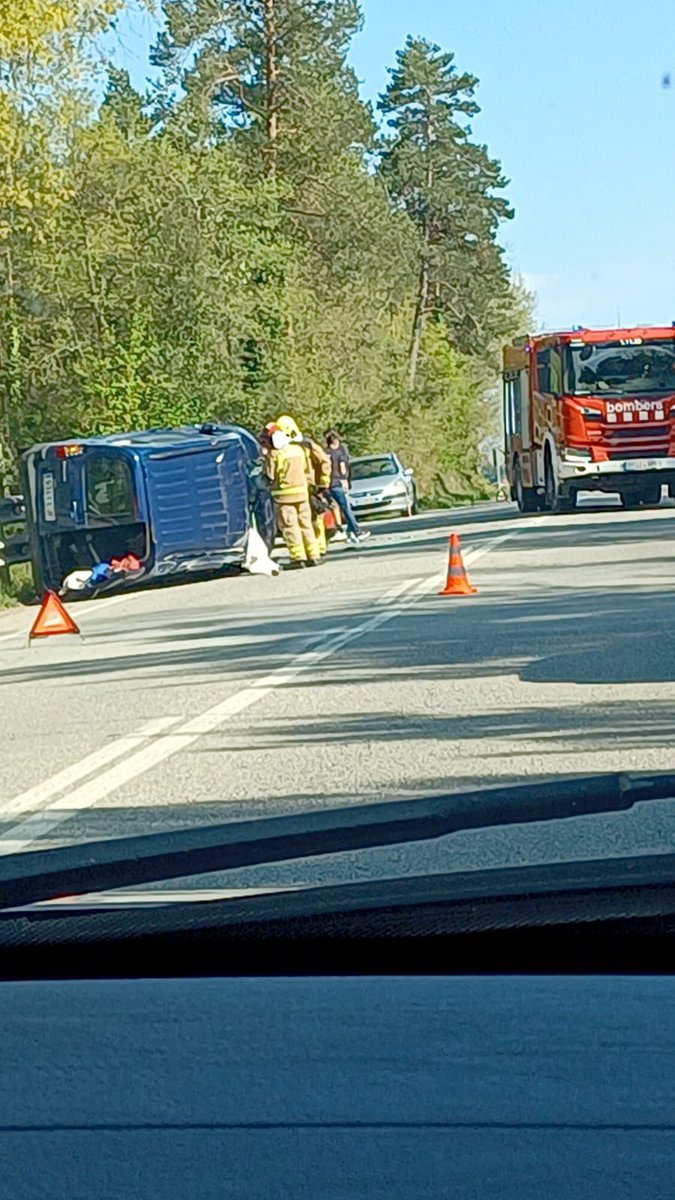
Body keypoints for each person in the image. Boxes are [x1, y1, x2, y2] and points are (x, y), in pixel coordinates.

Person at [263, 423, 323, 568]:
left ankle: (298, 557)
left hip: (284, 497)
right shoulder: (298, 450)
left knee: (291, 526)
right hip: (302, 494)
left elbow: (270, 475)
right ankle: (313, 554)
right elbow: (307, 470)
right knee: (306, 524)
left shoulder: (274, 455)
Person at [276, 415, 332, 557]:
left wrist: (322, 483)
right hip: (303, 487)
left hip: (310, 486)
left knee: (314, 518)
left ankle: (318, 548)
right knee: (307, 520)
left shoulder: (306, 444)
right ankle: (314, 551)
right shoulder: (289, 447)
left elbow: (324, 461)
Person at [325, 430, 370, 545]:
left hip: (327, 484)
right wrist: (345, 479)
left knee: (335, 507)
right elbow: (342, 468)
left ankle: (347, 532)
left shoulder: (326, 452)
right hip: (337, 482)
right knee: (346, 508)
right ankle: (357, 532)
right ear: (336, 440)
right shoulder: (340, 453)